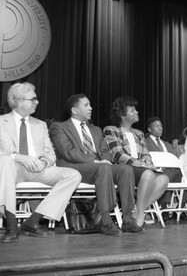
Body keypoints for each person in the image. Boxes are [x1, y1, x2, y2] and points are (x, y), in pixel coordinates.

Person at [50, 94, 143, 235]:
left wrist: (105, 159)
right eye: (86, 105)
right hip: (73, 167)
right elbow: (68, 152)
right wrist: (95, 161)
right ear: (74, 110)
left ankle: (128, 219)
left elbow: (104, 151)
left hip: (98, 167)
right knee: (103, 168)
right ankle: (106, 221)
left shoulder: (96, 129)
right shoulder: (59, 127)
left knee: (125, 169)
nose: (91, 108)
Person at [0, 83, 81, 243]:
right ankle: (11, 225)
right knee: (6, 162)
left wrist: (44, 161)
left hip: (37, 170)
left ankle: (33, 221)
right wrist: (18, 157)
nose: (37, 102)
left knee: (73, 175)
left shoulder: (40, 125)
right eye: (33, 99)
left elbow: (50, 153)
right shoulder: (1, 122)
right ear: (19, 101)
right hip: (10, 170)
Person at [103, 96, 170, 228]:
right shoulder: (111, 129)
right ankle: (140, 217)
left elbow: (145, 152)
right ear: (122, 115)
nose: (137, 112)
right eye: (132, 110)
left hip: (141, 169)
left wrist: (147, 160)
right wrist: (135, 162)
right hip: (123, 169)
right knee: (148, 174)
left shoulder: (139, 133)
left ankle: (138, 211)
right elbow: (117, 153)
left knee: (164, 179)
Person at [144, 117, 182, 211]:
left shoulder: (167, 144)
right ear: (149, 129)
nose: (160, 128)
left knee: (185, 174)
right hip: (156, 171)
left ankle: (182, 205)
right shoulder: (145, 143)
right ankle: (164, 206)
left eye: (161, 126)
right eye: (157, 126)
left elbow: (175, 160)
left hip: (172, 171)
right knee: (168, 175)